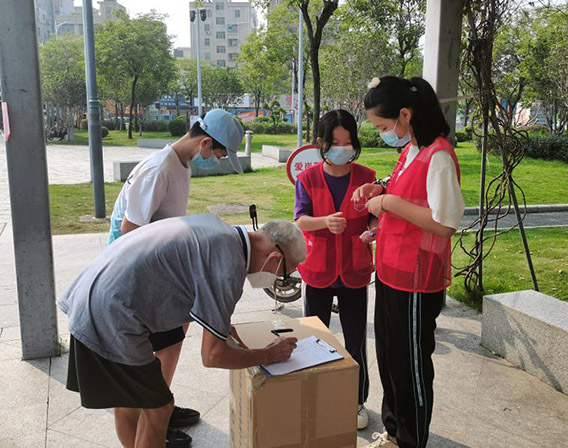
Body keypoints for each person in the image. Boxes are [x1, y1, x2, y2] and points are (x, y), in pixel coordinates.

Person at [58, 215, 306, 448]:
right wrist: (269, 355)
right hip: (110, 315)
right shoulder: (229, 264)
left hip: (95, 295)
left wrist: (220, 324)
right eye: (285, 272)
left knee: (131, 399)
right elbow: (213, 357)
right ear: (274, 258)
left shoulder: (222, 232)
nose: (278, 279)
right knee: (160, 407)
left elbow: (189, 277)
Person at [106, 109, 244, 447]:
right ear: (206, 142)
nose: (217, 160)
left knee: (173, 342)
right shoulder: (158, 169)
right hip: (134, 276)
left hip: (157, 272)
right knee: (159, 350)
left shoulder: (179, 166)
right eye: (219, 154)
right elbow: (130, 233)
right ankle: (154, 420)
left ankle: (160, 407)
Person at [353, 77, 465, 448]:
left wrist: (387, 204)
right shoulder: (413, 149)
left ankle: (411, 440)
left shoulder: (439, 156)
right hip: (390, 271)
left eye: (384, 127)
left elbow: (444, 222)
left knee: (412, 368)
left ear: (405, 114)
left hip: (416, 280)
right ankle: (394, 432)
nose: (384, 134)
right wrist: (380, 190)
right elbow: (408, 193)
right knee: (389, 358)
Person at [294, 110, 376, 430]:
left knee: (355, 339)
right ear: (321, 143)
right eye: (335, 142)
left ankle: (356, 401)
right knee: (314, 338)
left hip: (354, 270)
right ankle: (312, 394)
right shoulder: (308, 178)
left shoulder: (367, 177)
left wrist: (374, 225)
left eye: (348, 142)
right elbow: (300, 220)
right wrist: (325, 222)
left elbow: (372, 214)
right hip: (318, 270)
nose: (342, 148)